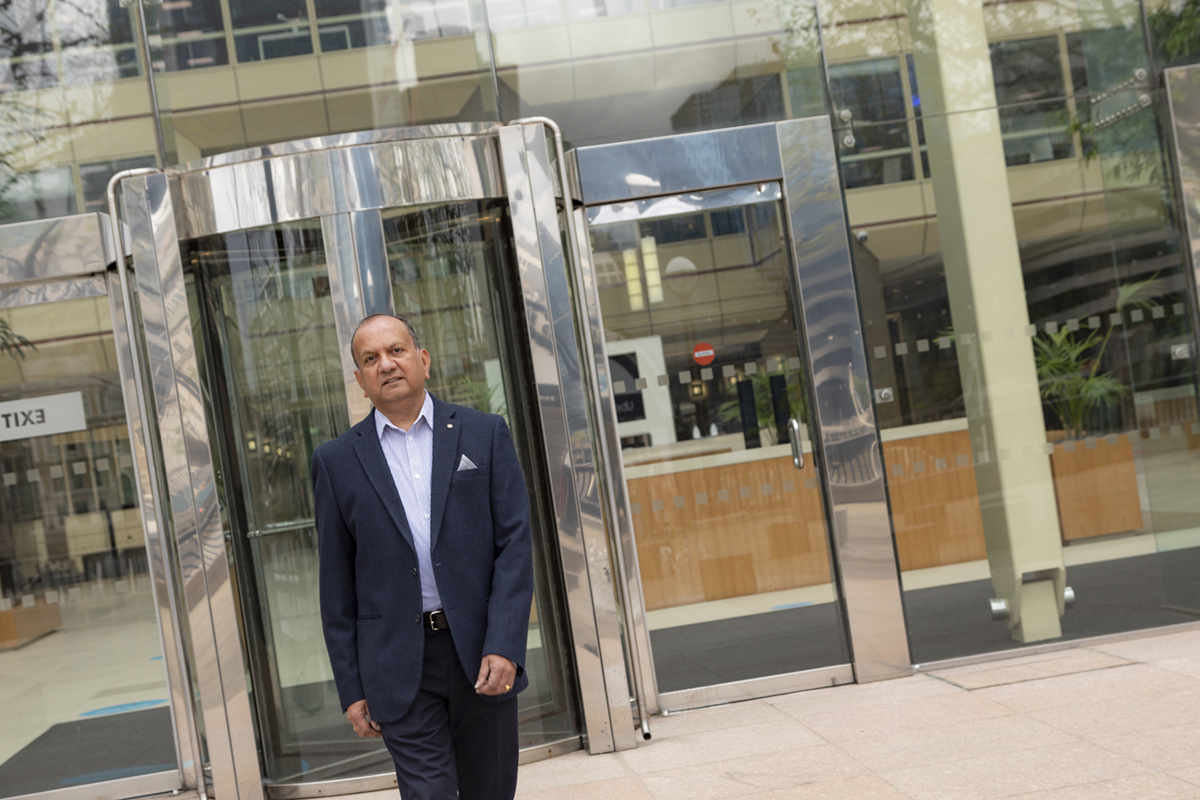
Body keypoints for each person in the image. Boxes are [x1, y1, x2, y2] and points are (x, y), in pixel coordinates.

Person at [313, 313, 533, 800]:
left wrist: (506, 643)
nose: (386, 365)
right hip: (396, 662)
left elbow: (514, 546)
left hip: (480, 651)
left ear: (423, 360)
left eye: (396, 350)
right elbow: (336, 586)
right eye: (370, 359)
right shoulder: (336, 463)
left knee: (490, 791)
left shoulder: (484, 433)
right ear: (359, 380)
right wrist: (351, 688)